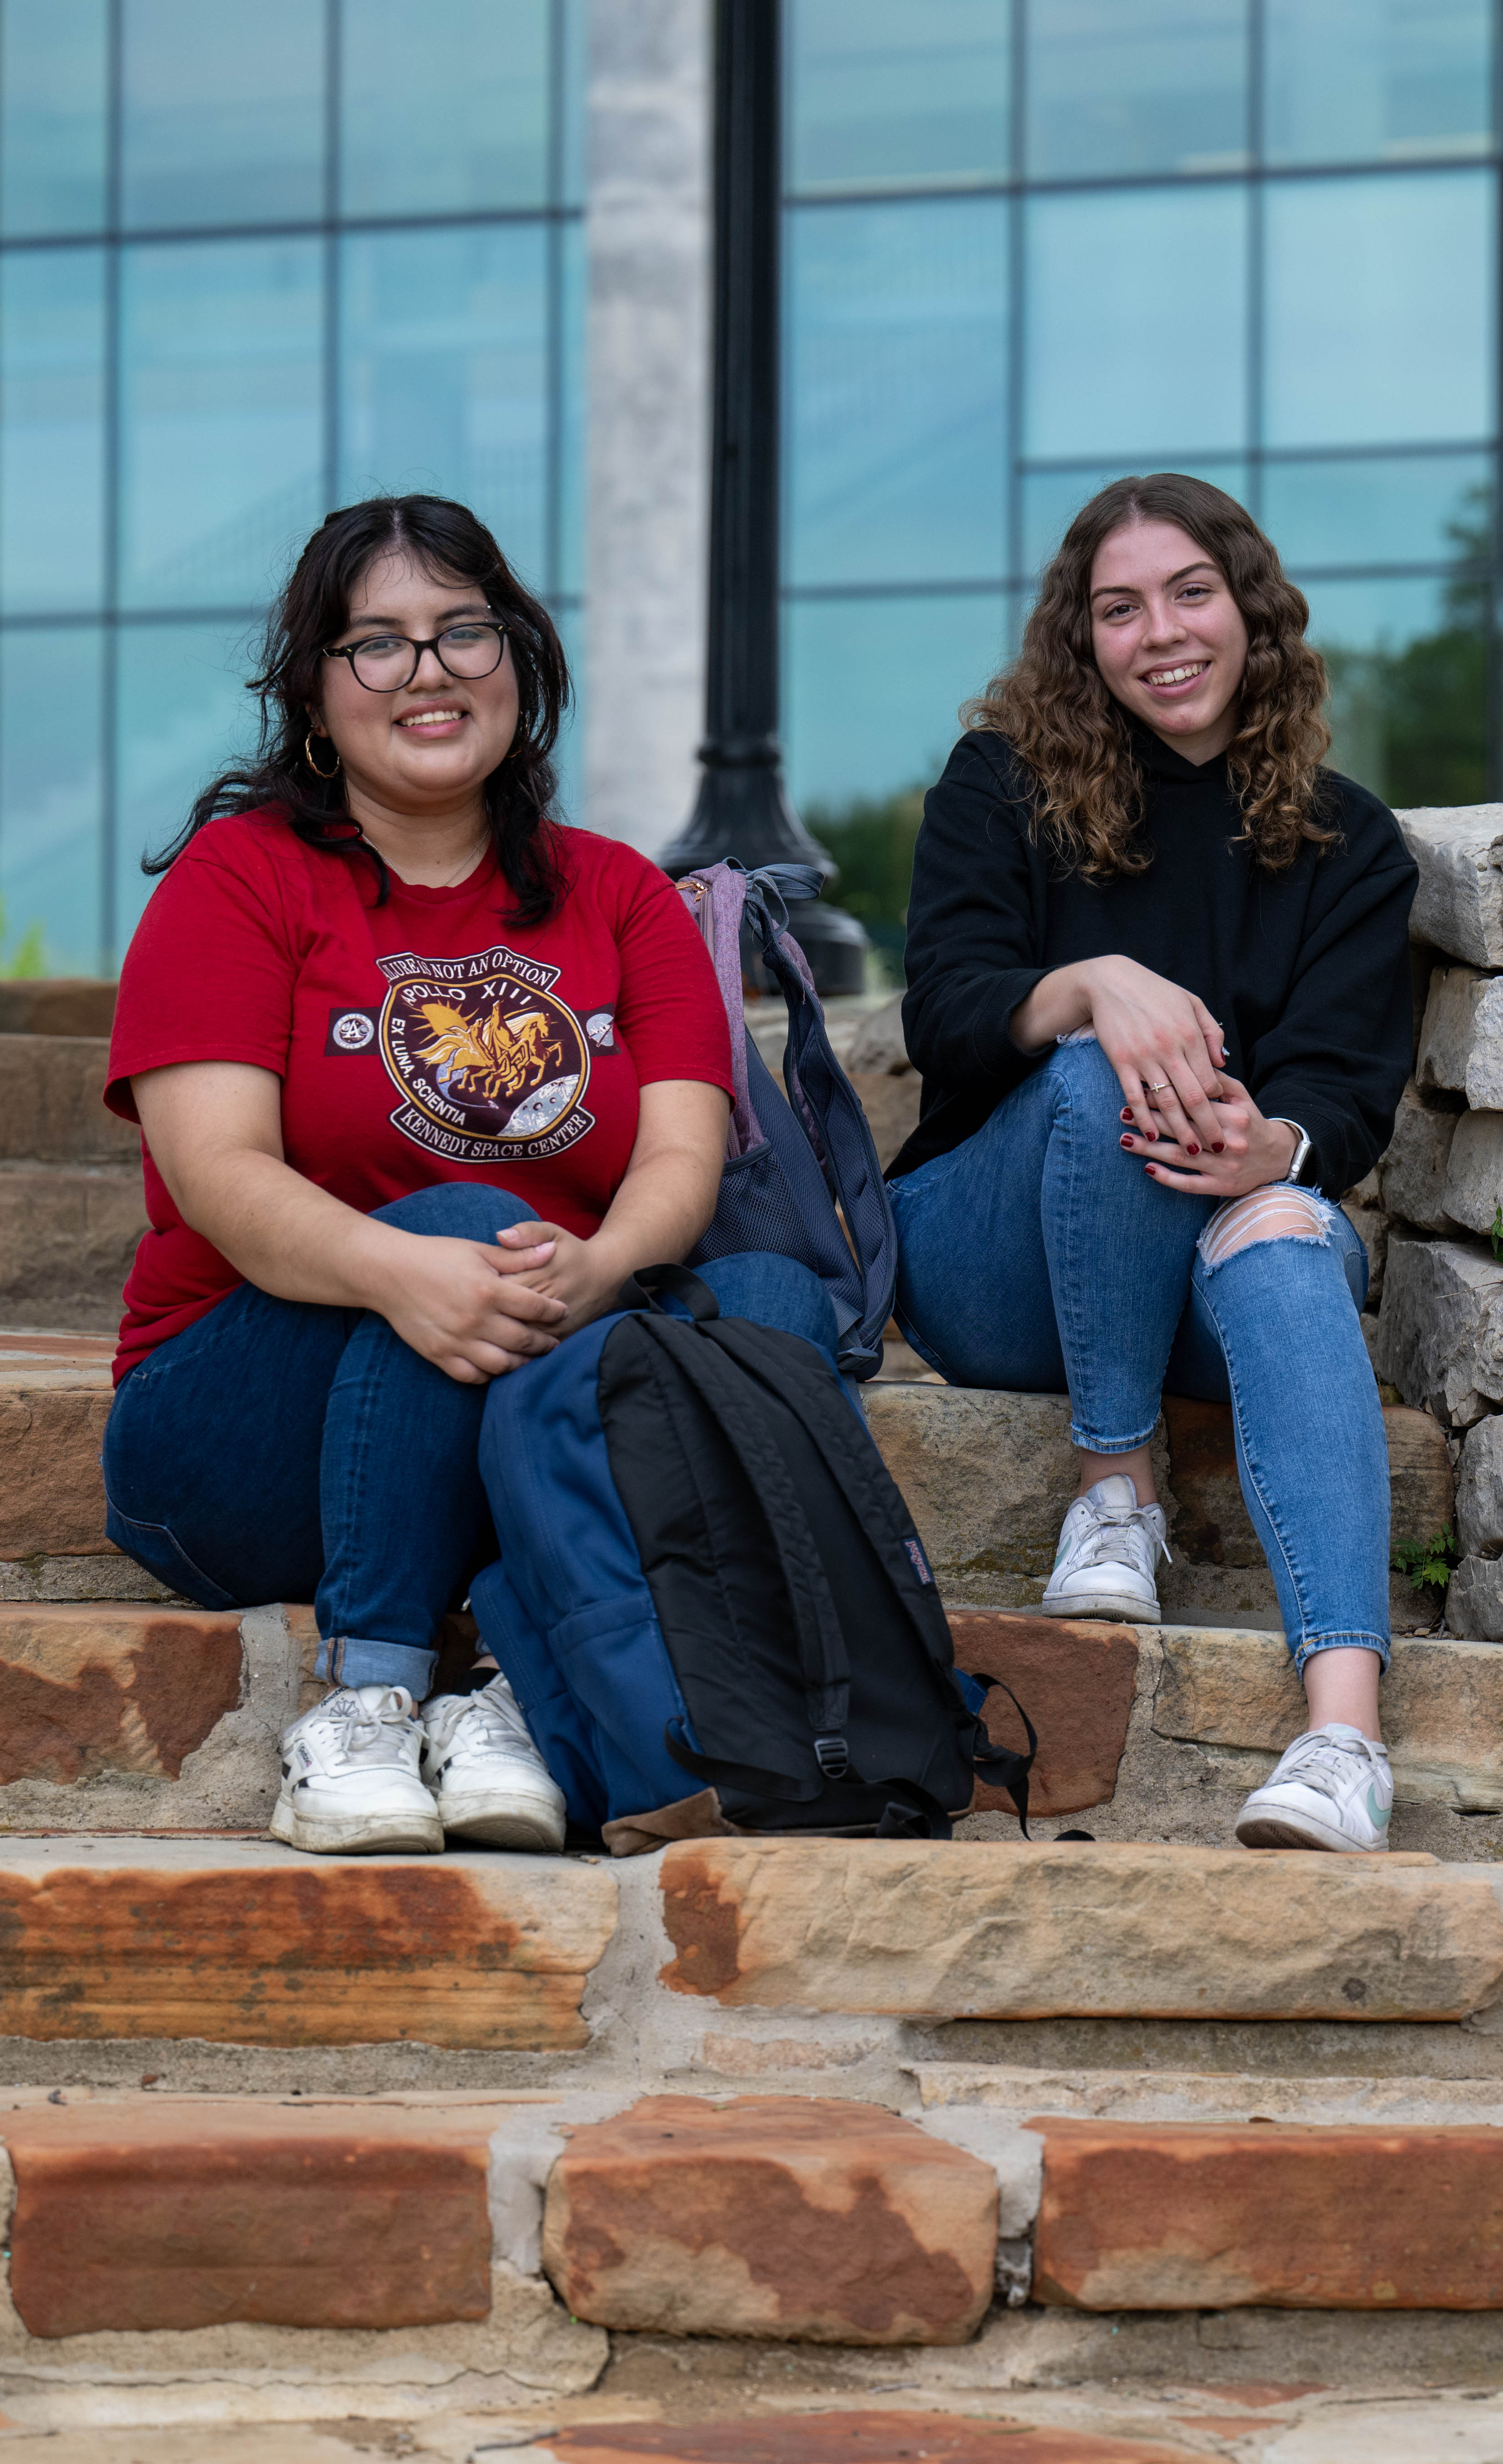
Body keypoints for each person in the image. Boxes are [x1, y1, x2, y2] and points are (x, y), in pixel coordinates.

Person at [103, 493, 847, 1859]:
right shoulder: (241, 880)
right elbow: (216, 1174)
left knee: (767, 1305)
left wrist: (603, 1267)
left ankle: (516, 1692)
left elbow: (683, 1153)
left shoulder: (621, 896)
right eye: (376, 645)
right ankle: (369, 1695)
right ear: (318, 704)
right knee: (460, 1218)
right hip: (240, 1433)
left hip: (538, 1368)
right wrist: (411, 1266)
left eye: (463, 632)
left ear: (521, 664)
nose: (429, 670)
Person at [891, 473, 1416, 1854]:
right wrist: (1093, 985)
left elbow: (1349, 1093)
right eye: (1119, 610)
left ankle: (1341, 1740)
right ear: (1083, 641)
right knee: (1102, 1066)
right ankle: (1113, 1494)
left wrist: (1269, 1151)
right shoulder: (1000, 785)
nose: (1162, 633)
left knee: (1294, 1232)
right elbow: (941, 1015)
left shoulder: (1350, 842)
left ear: (1252, 610)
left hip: (1194, 1257)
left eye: (1191, 593)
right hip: (987, 1259)